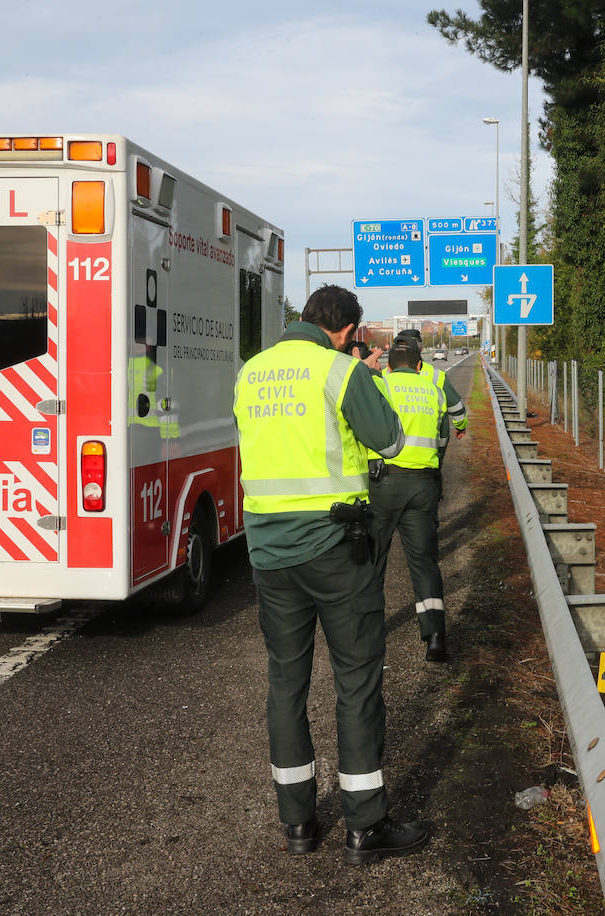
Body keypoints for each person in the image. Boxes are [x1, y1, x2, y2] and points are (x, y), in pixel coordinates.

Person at [233, 284, 429, 865]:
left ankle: (297, 824)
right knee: (356, 681)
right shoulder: (341, 372)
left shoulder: (251, 372)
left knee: (286, 683)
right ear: (346, 331)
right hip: (335, 549)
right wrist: (360, 377)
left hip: (268, 552)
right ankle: (365, 827)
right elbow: (391, 440)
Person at [368, 337, 451, 662]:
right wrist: (433, 470)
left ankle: (370, 632)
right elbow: (442, 438)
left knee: (374, 559)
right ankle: (435, 637)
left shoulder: (381, 385)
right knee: (424, 562)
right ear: (420, 365)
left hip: (384, 483)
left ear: (389, 365)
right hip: (423, 485)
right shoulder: (433, 390)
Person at [391, 329, 467, 461]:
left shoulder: (384, 375)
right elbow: (456, 408)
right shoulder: (436, 375)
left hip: (388, 460)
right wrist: (460, 428)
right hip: (426, 460)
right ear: (420, 348)